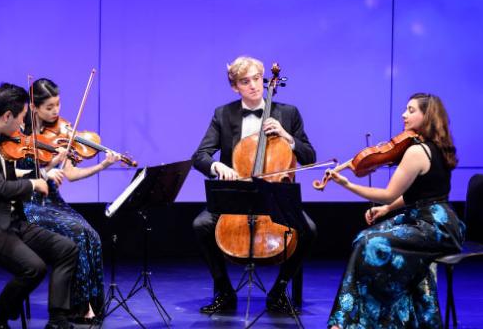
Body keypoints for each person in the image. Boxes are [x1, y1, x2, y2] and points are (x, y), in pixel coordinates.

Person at [325, 93, 465, 328]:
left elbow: (389, 192)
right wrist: (387, 209)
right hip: (438, 222)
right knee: (363, 238)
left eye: (411, 110)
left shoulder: (417, 152)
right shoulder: (435, 146)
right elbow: (420, 194)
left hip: (434, 227)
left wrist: (348, 185)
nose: (404, 114)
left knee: (370, 244)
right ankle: (361, 319)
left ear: (426, 115)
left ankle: (353, 321)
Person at [192, 56, 317, 314]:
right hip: (237, 195)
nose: (253, 85)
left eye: (257, 79)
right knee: (201, 225)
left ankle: (279, 289)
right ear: (235, 87)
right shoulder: (223, 114)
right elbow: (200, 156)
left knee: (309, 230)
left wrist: (287, 137)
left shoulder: (288, 113)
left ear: (264, 80)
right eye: (245, 81)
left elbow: (309, 156)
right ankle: (224, 291)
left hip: (276, 195)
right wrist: (219, 167)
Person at [0, 83, 78, 329]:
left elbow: (7, 172)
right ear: (7, 115)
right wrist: (34, 183)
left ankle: (57, 321)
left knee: (67, 249)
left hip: (6, 220)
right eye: (20, 118)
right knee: (34, 268)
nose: (22, 125)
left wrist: (43, 171)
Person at [16, 78, 119, 323]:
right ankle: (78, 307)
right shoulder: (18, 135)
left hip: (53, 201)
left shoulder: (61, 133)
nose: (56, 112)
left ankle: (92, 303)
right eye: (49, 107)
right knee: (76, 234)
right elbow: (15, 173)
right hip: (30, 204)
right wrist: (49, 166)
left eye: (58, 105)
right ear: (34, 107)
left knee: (90, 233)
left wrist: (103, 165)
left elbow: (71, 174)